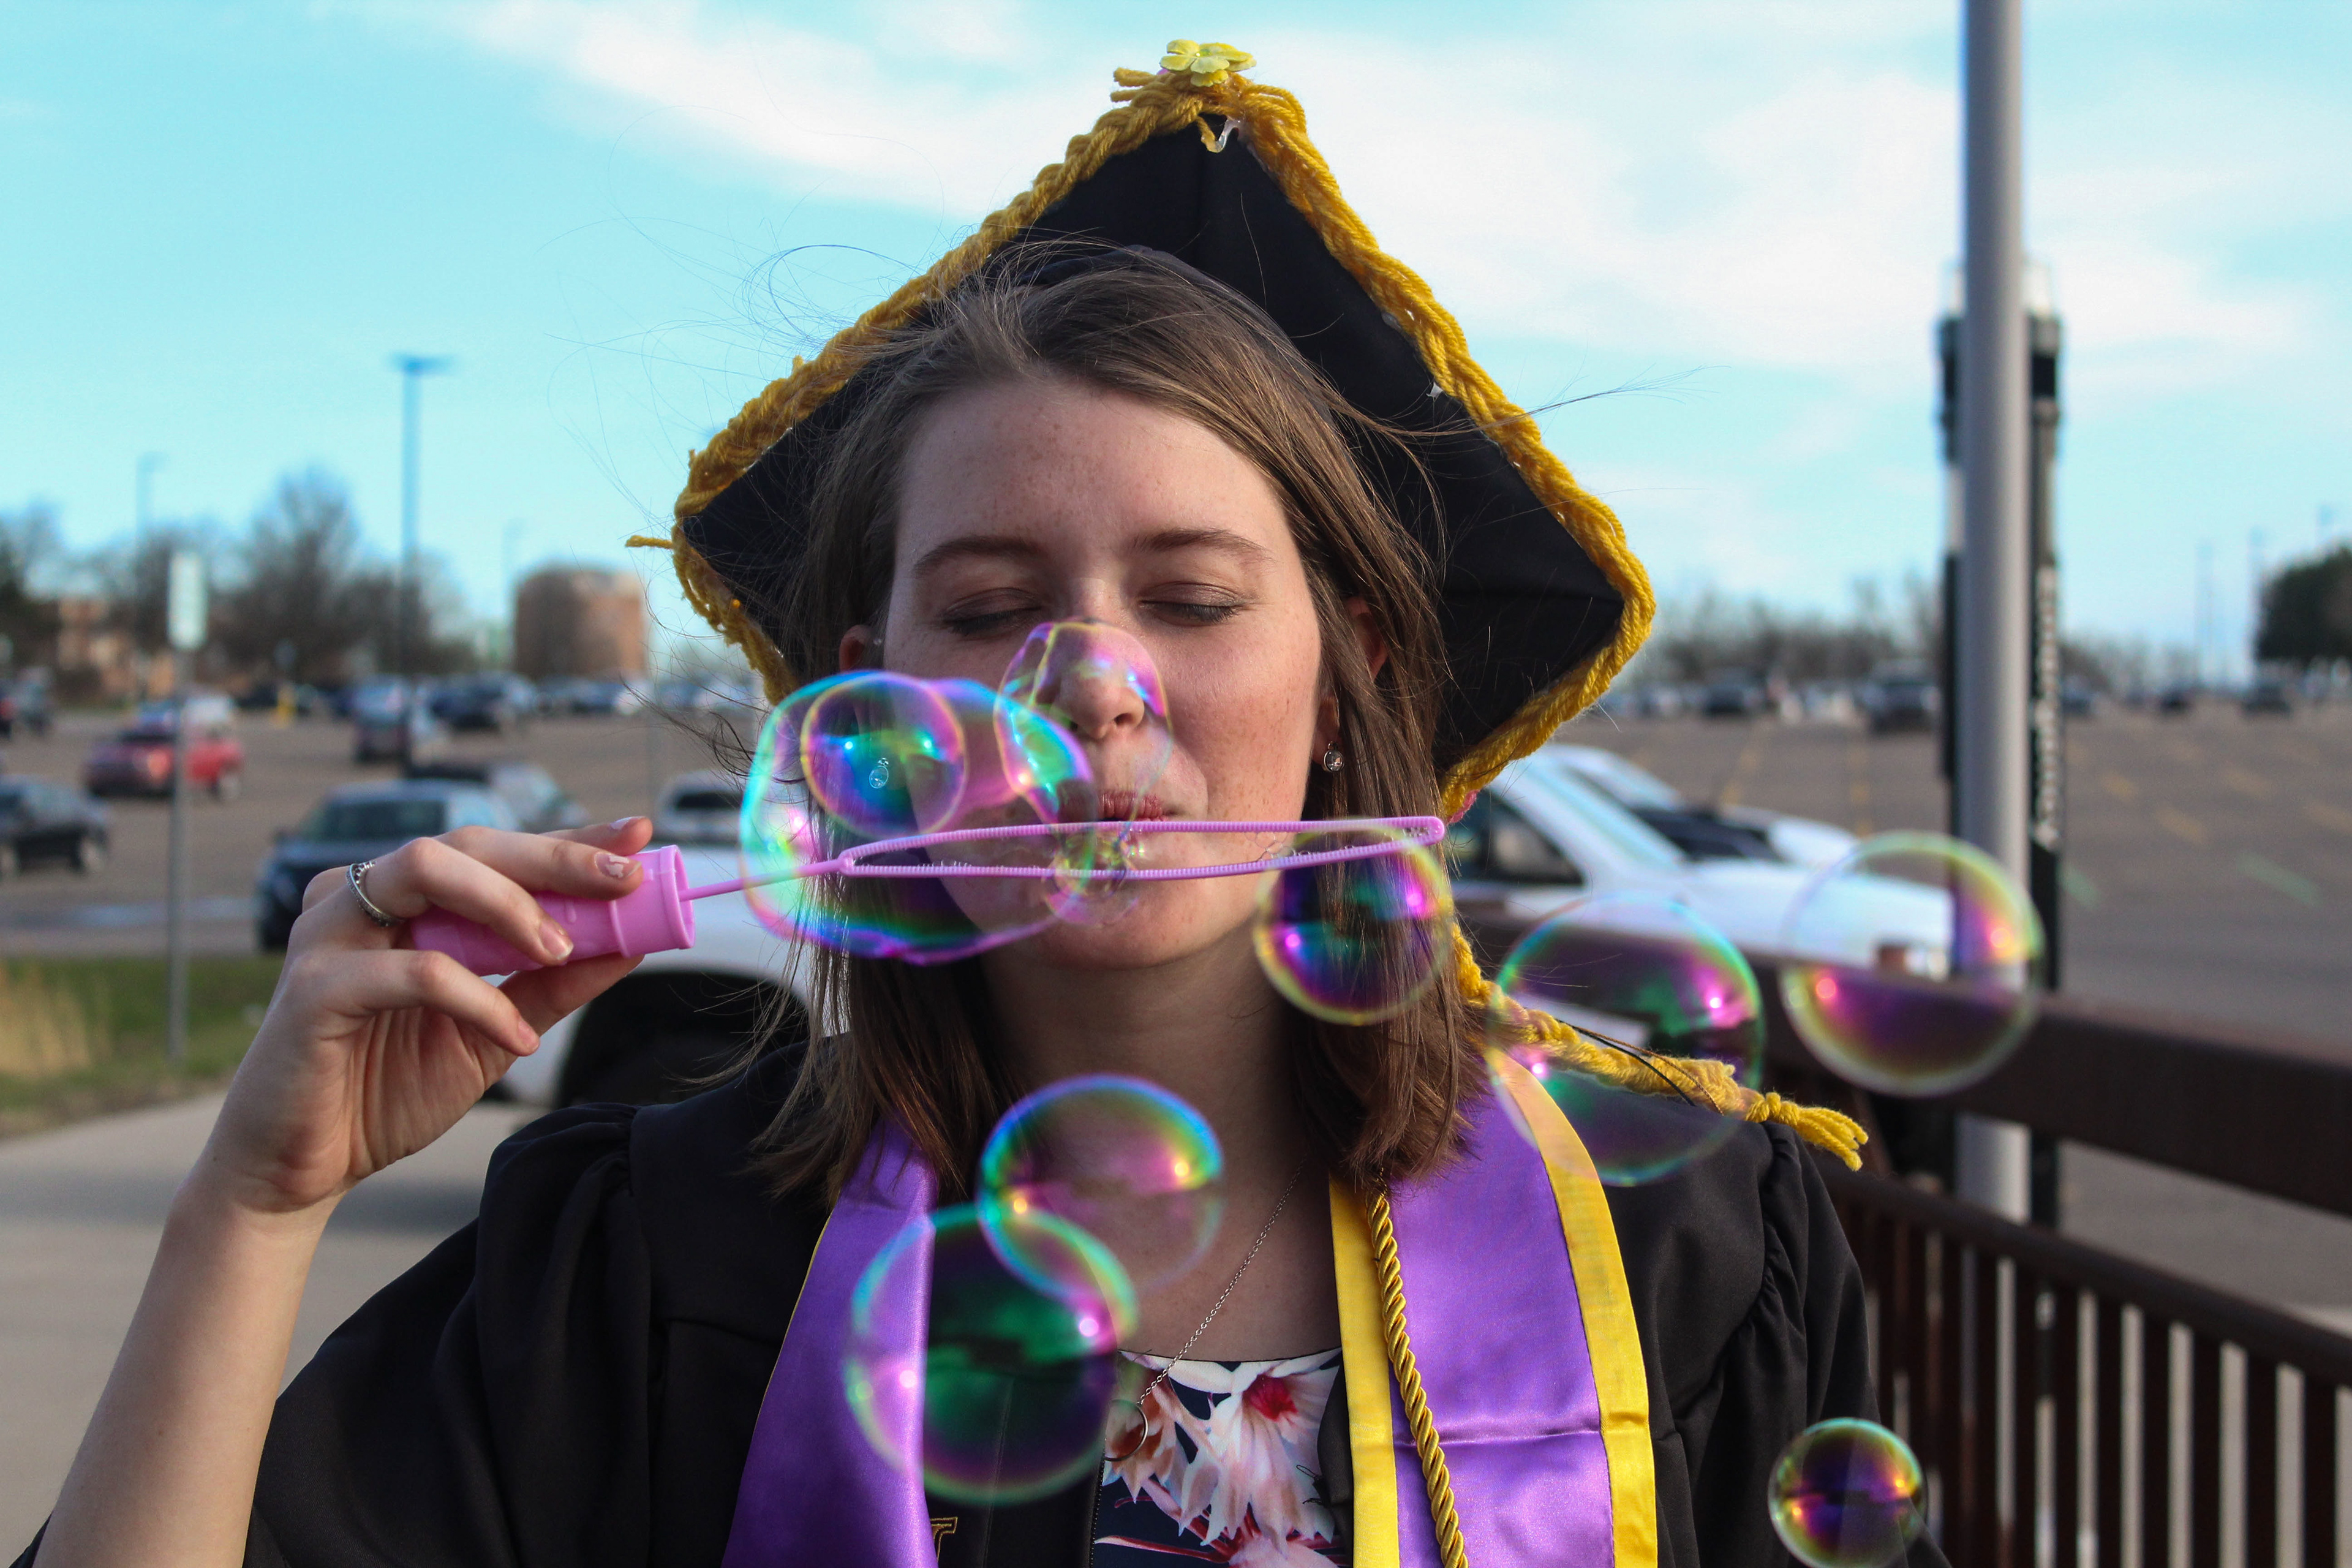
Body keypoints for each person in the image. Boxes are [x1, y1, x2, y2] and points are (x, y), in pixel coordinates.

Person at [20, 47, 1925, 1568]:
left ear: (1345, 679)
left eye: (1190, 598)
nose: (1090, 677)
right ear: (870, 707)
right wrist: (247, 1210)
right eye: (995, 609)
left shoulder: (1694, 1259)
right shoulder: (653, 1264)